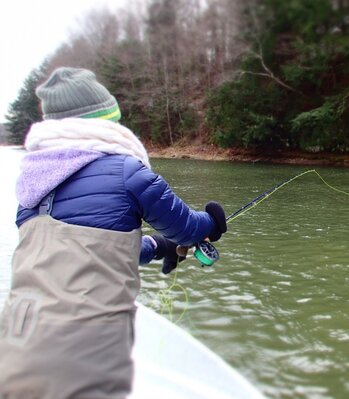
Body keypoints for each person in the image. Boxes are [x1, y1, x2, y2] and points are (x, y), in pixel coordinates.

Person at [0, 67, 227, 399]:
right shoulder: (126, 172)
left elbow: (87, 253)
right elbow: (188, 229)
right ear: (103, 122)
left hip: (15, 343)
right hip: (86, 349)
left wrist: (155, 246)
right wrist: (214, 222)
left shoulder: (30, 191)